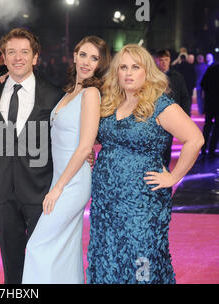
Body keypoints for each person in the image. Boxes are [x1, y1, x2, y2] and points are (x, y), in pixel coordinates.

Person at [87, 44, 204, 284]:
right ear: (116, 72)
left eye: (135, 67)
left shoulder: (159, 104)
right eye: (123, 67)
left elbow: (195, 139)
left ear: (146, 71)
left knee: (141, 257)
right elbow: (101, 138)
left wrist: (173, 177)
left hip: (142, 202)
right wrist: (90, 152)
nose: (128, 73)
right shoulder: (110, 103)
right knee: (108, 255)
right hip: (106, 201)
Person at [22, 36, 110, 284]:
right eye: (83, 54)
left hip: (72, 183)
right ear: (74, 55)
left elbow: (84, 147)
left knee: (38, 245)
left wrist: (58, 187)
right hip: (60, 180)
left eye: (94, 58)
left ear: (100, 64)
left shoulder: (91, 93)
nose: (86, 62)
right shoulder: (71, 91)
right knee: (66, 251)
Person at [0, 28, 65, 284]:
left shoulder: (53, 95)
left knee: (44, 262)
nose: (18, 57)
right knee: (12, 266)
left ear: (35, 57)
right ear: (3, 58)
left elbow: (63, 141)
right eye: (11, 52)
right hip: (2, 194)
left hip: (41, 192)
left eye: (24, 52)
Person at [156, 49, 191, 168]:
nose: (163, 62)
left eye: (166, 59)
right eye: (161, 60)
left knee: (167, 145)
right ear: (157, 61)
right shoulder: (152, 77)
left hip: (171, 117)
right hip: (155, 117)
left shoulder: (177, 77)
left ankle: (165, 170)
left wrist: (185, 116)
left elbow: (184, 96)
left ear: (170, 60)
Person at [200, 61, 219, 156]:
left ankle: (203, 148)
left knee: (207, 125)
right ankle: (212, 149)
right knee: (216, 128)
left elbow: (203, 84)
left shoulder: (211, 70)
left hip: (210, 103)